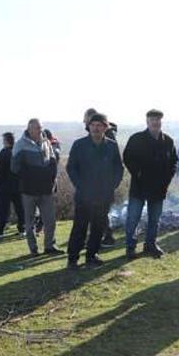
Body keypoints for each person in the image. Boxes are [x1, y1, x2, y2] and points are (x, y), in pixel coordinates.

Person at [66, 113, 124, 269]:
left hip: (104, 195)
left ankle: (92, 255)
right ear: (88, 127)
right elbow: (71, 168)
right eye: (93, 125)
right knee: (80, 227)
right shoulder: (79, 145)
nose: (96, 128)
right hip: (84, 195)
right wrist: (80, 186)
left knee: (98, 227)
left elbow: (118, 168)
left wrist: (112, 186)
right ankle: (72, 259)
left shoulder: (111, 146)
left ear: (105, 128)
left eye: (100, 125)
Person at [123, 109, 178, 259]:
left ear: (161, 122)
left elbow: (174, 162)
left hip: (159, 188)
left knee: (155, 219)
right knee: (133, 218)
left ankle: (150, 245)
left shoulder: (168, 141)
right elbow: (127, 157)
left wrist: (168, 178)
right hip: (139, 187)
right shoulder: (137, 139)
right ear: (147, 121)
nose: (155, 122)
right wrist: (138, 173)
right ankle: (130, 247)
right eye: (152, 119)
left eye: (158, 120)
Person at [11, 119, 62, 255]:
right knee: (30, 222)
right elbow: (15, 168)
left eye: (40, 128)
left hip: (46, 189)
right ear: (29, 129)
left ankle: (49, 246)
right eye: (36, 128)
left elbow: (52, 162)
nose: (39, 130)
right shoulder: (20, 145)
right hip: (29, 190)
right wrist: (30, 174)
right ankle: (33, 248)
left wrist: (52, 180)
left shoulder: (46, 143)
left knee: (50, 220)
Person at [83, 108, 119, 245]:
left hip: (103, 182)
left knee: (99, 213)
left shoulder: (107, 136)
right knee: (97, 212)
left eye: (86, 119)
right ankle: (101, 237)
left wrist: (111, 183)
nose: (84, 122)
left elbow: (112, 161)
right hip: (95, 182)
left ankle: (105, 238)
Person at [0, 132, 25, 238]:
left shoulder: (2, 154)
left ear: (5, 141)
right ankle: (22, 228)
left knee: (3, 209)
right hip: (18, 185)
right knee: (20, 208)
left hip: (4, 186)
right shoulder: (19, 153)